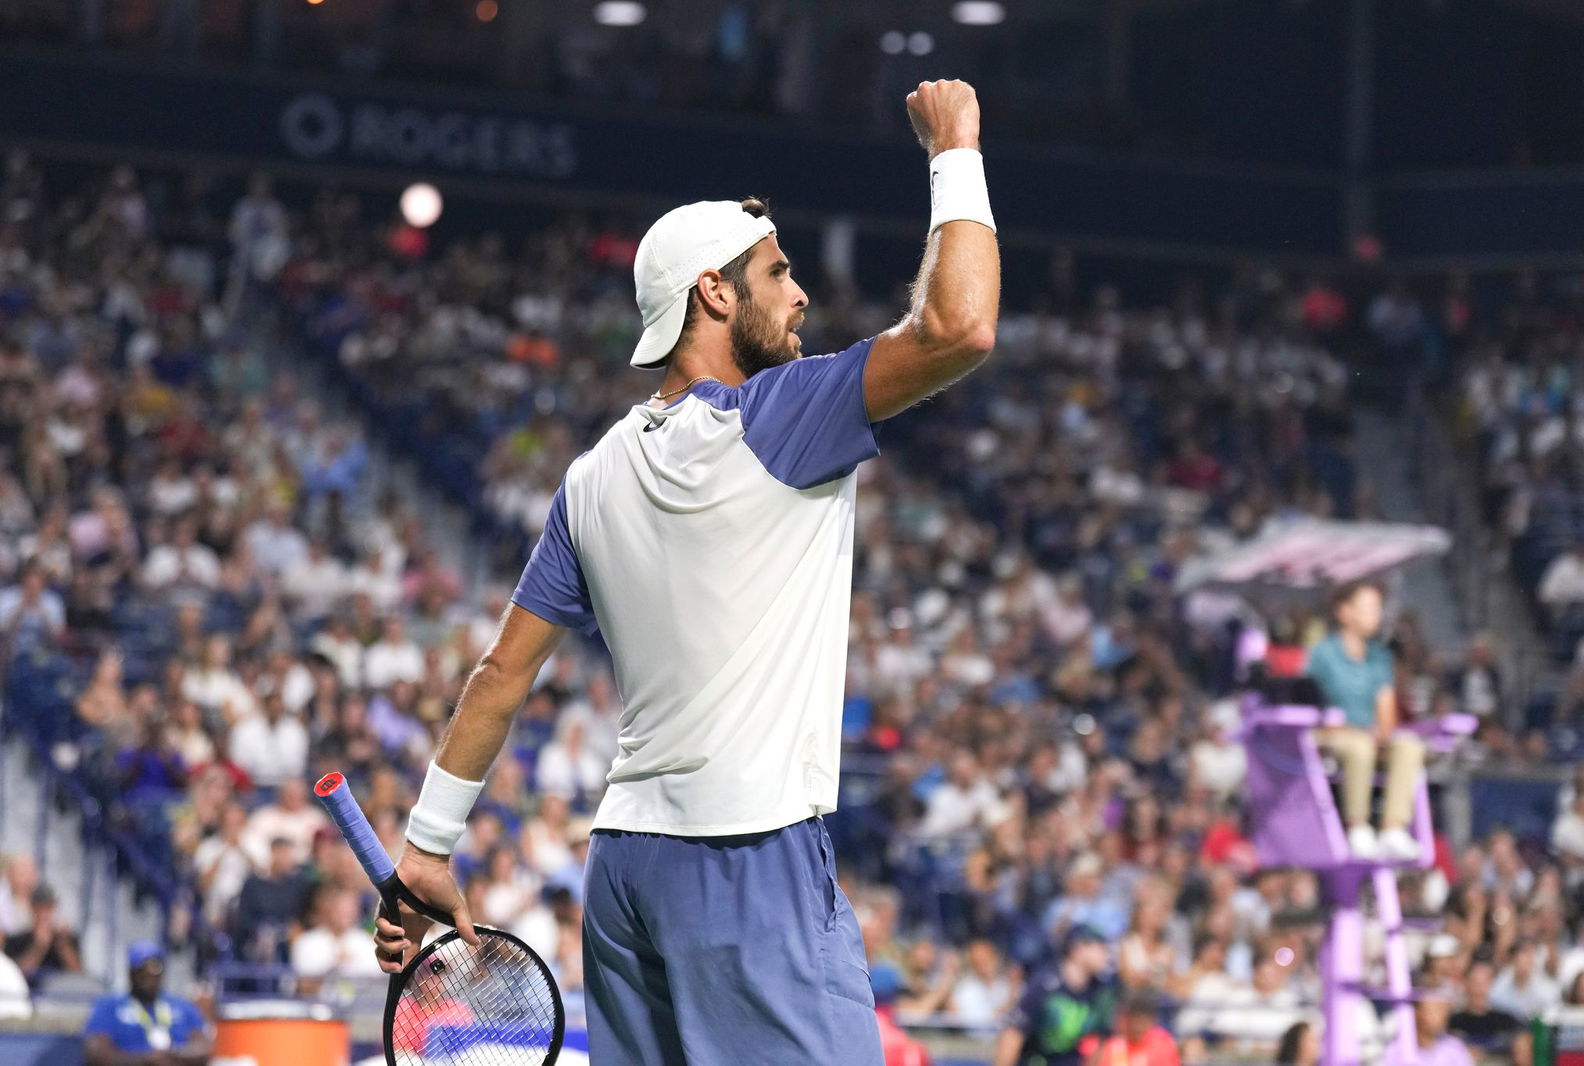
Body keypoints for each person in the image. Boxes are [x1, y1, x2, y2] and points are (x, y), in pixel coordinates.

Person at [374, 78, 999, 1066]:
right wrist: (955, 147)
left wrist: (426, 848)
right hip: (747, 856)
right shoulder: (784, 414)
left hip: (626, 870)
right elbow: (960, 327)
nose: (800, 295)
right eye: (778, 272)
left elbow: (498, 676)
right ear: (714, 290)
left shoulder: (590, 477)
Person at [1306, 581, 1428, 861]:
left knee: (1409, 745)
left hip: (1367, 735)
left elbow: (1385, 709)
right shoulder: (1323, 654)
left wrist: (1382, 734)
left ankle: (1392, 829)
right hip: (1329, 735)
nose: (1376, 615)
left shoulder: (1379, 657)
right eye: (1369, 608)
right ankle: (1357, 827)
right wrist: (1355, 732)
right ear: (1344, 612)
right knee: (1359, 747)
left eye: (1378, 608)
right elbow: (1307, 703)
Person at [993, 926, 1119, 1066]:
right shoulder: (1045, 984)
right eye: (1100, 949)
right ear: (1077, 948)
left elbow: (1100, 1042)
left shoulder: (1099, 991)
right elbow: (1013, 1033)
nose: (1106, 956)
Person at [84, 942, 211, 1066]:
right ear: (131, 974)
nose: (149, 979)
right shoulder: (109, 1006)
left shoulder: (182, 1006)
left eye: (154, 973)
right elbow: (96, 1052)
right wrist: (144, 1060)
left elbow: (203, 1047)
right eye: (142, 973)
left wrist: (175, 1054)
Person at [3, 884, 82, 986]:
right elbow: (14, 976)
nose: (46, 914)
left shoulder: (67, 939)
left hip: (61, 997)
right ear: (32, 909)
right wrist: (39, 947)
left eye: (50, 908)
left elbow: (79, 974)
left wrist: (63, 945)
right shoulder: (16, 941)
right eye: (41, 908)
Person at [1077, 990, 1182, 1066]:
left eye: (1143, 1021)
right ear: (1126, 1019)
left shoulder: (1163, 1045)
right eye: (1135, 1020)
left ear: (1152, 1021)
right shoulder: (1105, 1046)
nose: (1138, 1026)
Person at [1415, 991, 1474, 1066]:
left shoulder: (1454, 1048)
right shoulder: (1398, 1050)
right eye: (1437, 1009)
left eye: (1445, 1010)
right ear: (1417, 1012)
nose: (1444, 1014)